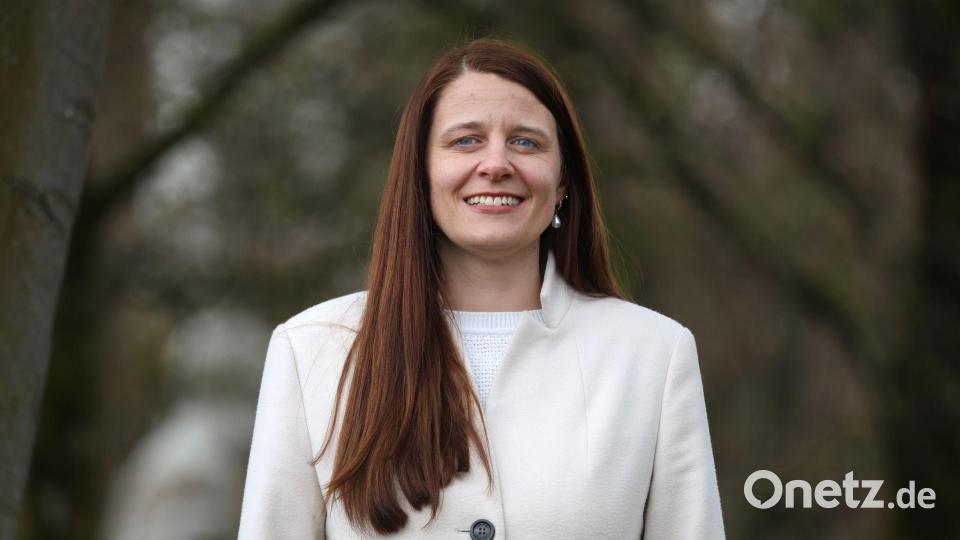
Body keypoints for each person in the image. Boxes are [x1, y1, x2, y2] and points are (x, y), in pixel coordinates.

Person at [238, 38, 724, 539]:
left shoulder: (653, 354)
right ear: (421, 175)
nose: (496, 163)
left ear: (562, 184)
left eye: (526, 142)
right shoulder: (313, 350)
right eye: (466, 140)